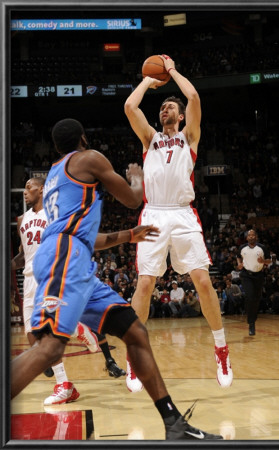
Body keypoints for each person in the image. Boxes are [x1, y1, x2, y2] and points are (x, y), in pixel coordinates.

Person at [11, 118, 223, 441]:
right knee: (51, 347)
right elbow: (133, 199)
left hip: (76, 259)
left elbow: (85, 234)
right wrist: (137, 179)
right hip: (64, 258)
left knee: (135, 330)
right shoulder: (89, 158)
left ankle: (174, 425)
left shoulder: (54, 175)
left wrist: (127, 235)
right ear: (83, 138)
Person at [124, 54, 233, 392]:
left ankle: (221, 349)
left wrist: (170, 71)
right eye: (162, 108)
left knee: (201, 280)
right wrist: (147, 80)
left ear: (181, 116)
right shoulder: (150, 139)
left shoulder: (190, 137)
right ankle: (134, 356)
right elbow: (130, 106)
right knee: (144, 285)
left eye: (170, 108)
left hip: (183, 213)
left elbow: (195, 97)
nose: (164, 111)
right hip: (154, 213)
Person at [11, 177, 100, 405]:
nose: (25, 191)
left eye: (29, 187)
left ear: (42, 190)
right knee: (33, 338)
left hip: (49, 275)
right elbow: (23, 256)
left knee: (46, 332)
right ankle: (78, 329)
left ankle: (63, 384)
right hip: (29, 279)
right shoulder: (22, 220)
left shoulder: (56, 215)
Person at [237, 229, 271, 335]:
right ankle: (251, 323)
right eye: (249, 235)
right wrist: (239, 264)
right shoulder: (242, 248)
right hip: (246, 275)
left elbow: (269, 260)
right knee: (250, 296)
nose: (251, 237)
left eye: (253, 235)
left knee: (256, 299)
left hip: (259, 275)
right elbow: (238, 257)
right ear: (247, 238)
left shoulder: (262, 248)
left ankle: (253, 318)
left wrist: (263, 261)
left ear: (256, 237)